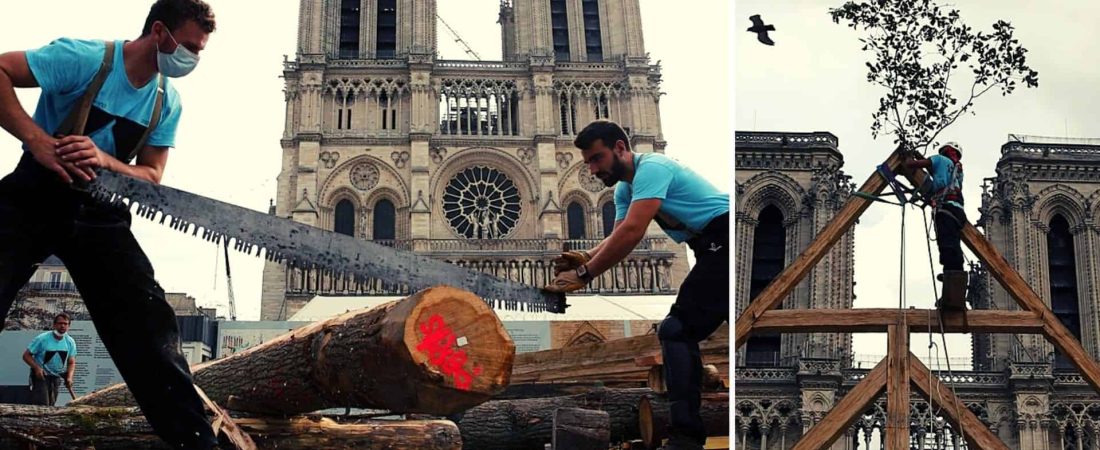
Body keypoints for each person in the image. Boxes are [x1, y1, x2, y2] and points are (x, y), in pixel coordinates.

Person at [0, 1, 218, 447]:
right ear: (159, 32)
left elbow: (153, 175)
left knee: (150, 330)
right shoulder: (83, 58)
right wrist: (38, 141)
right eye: (190, 47)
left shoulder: (165, 101)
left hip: (100, 213)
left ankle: (196, 441)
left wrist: (104, 160)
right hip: (34, 195)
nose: (194, 58)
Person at [544, 120, 729, 450]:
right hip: (709, 246)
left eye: (597, 158)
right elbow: (618, 234)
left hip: (725, 237)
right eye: (588, 161)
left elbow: (632, 232)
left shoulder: (652, 168)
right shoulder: (624, 189)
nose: (592, 168)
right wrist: (585, 255)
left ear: (619, 148)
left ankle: (686, 437)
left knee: (676, 329)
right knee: (688, 328)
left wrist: (585, 274)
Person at [906, 141, 968, 310]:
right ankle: (955, 281)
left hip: (945, 208)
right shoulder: (958, 170)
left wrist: (907, 162)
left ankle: (952, 279)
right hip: (958, 211)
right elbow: (936, 174)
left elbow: (917, 164)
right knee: (954, 246)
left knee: (947, 245)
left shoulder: (940, 159)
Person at [23, 312, 77, 406]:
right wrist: (36, 368)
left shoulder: (70, 342)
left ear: (68, 326)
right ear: (54, 325)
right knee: (42, 404)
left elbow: (71, 362)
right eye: (60, 323)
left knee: (51, 404)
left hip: (56, 377)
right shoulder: (42, 339)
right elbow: (26, 355)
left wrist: (69, 377)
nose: (63, 326)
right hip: (42, 376)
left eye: (65, 324)